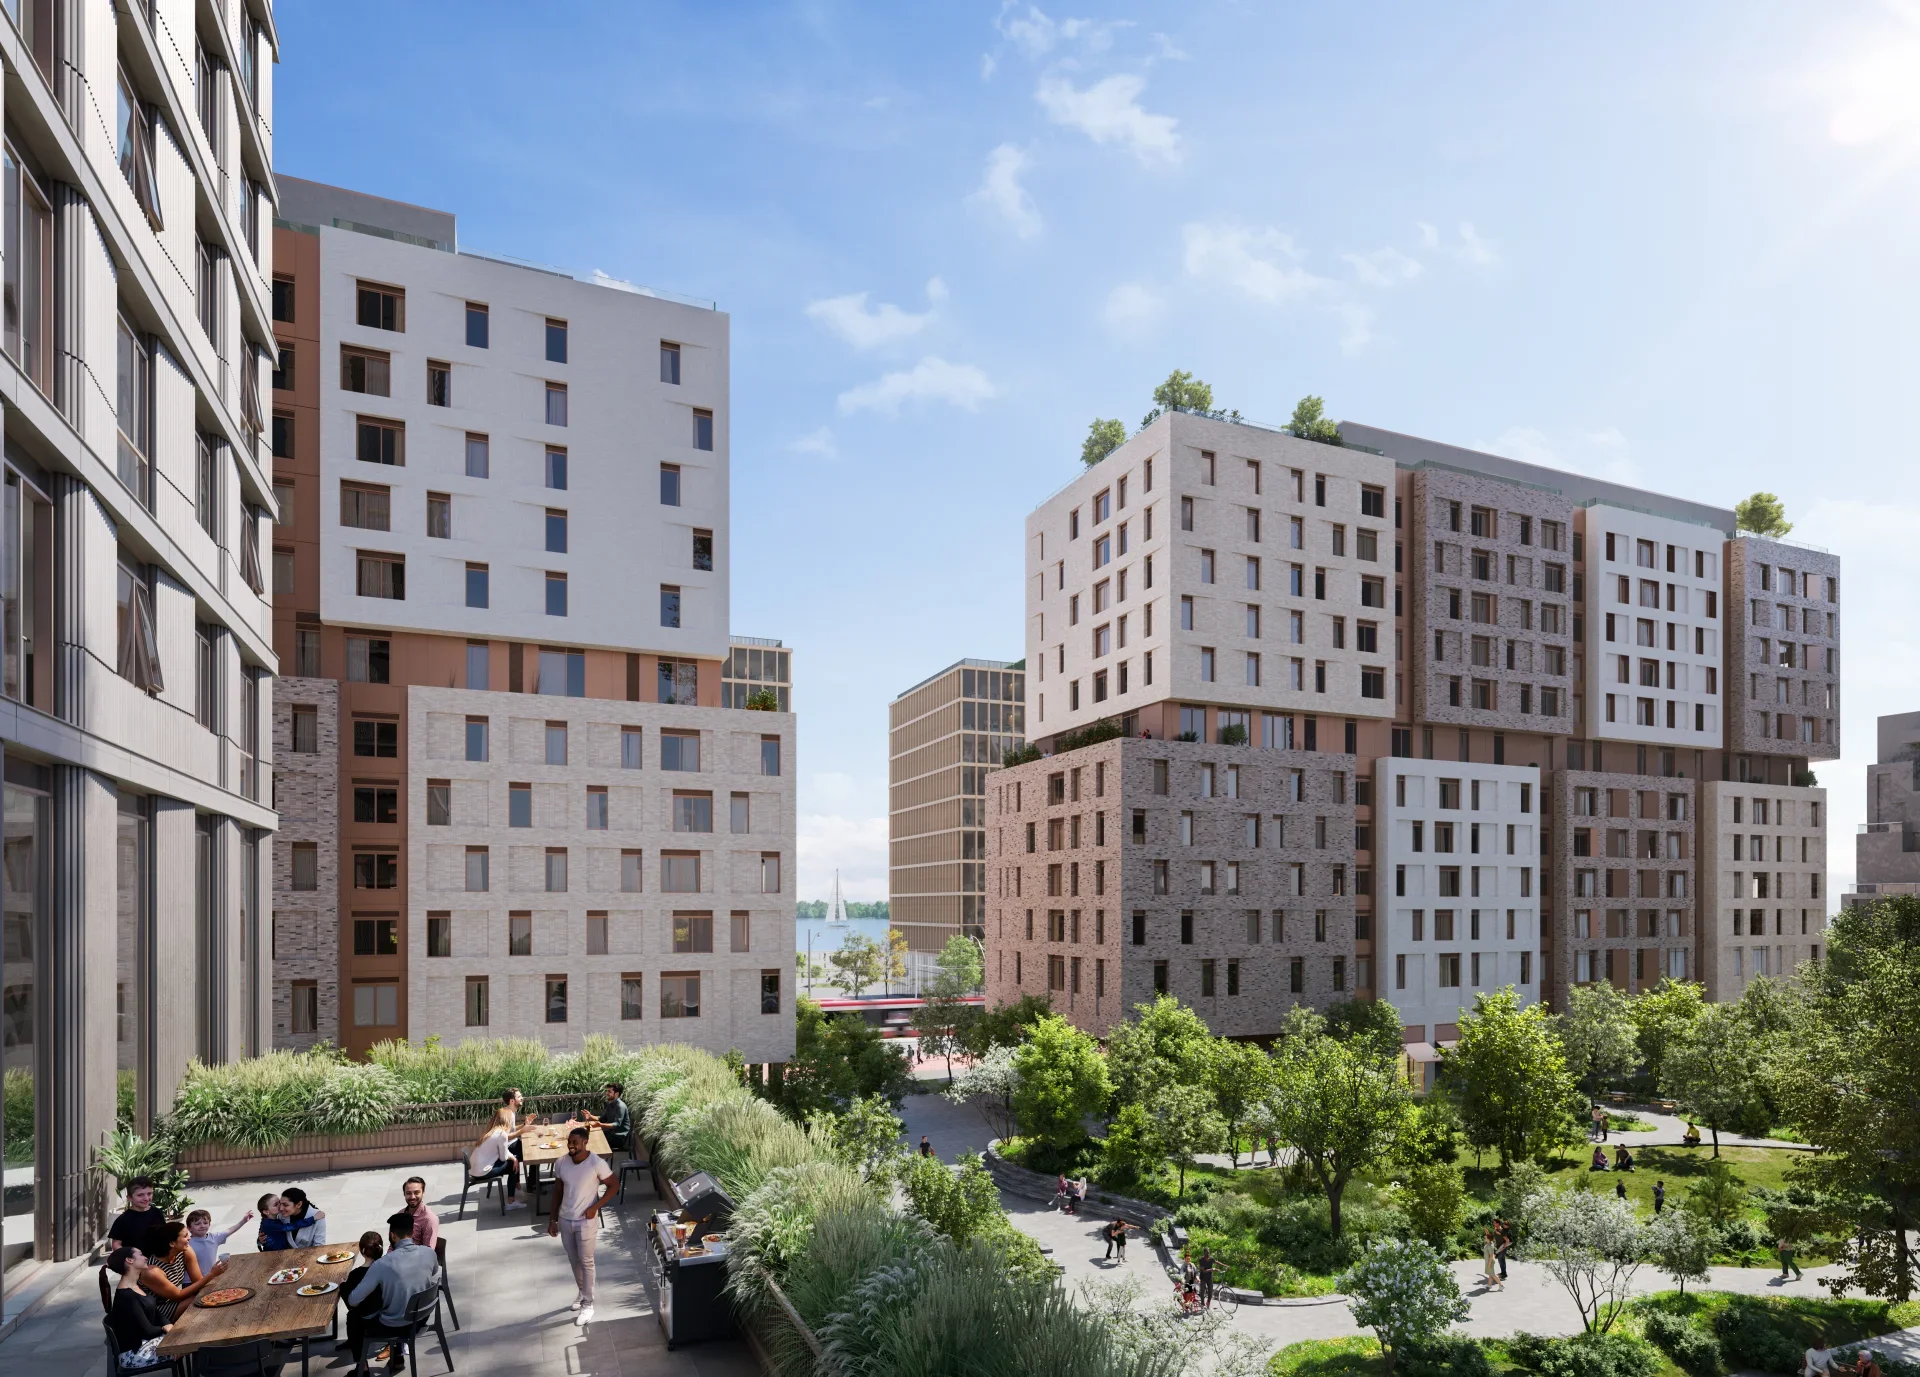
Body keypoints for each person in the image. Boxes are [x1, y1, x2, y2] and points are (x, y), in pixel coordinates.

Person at [345, 1211, 441, 1377]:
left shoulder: (382, 1264)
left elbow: (354, 1300)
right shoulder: (429, 1253)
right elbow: (433, 1272)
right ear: (412, 1232)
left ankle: (363, 1368)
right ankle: (397, 1357)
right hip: (421, 1318)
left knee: (354, 1317)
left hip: (395, 1325)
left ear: (392, 1235)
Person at [547, 1125, 617, 1326]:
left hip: (586, 1221)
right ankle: (582, 1292)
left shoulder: (597, 1163)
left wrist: (596, 1207)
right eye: (569, 1142)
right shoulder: (561, 1163)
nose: (571, 1146)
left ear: (585, 1142)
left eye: (575, 1143)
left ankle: (588, 1303)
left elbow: (614, 1186)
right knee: (573, 1260)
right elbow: (557, 1192)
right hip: (565, 1220)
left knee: (586, 1261)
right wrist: (553, 1219)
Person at [140, 1220, 227, 1322]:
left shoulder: (185, 1251)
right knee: (201, 1300)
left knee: (210, 1295)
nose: (189, 1238)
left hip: (174, 1301)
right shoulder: (152, 1271)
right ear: (172, 1243)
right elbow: (178, 1295)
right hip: (156, 1311)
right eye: (185, 1236)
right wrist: (211, 1274)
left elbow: (198, 1281)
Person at [105, 1245, 171, 1370]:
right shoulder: (126, 1296)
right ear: (129, 1260)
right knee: (188, 1344)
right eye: (140, 1254)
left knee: (187, 1339)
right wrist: (165, 1328)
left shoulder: (134, 1287)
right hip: (135, 1354)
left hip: (147, 1343)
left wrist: (169, 1326)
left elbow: (156, 1314)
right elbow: (147, 1330)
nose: (145, 1257)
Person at [340, 1231, 391, 1366]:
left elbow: (352, 1303)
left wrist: (343, 1287)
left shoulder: (356, 1275)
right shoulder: (389, 1268)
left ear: (362, 1250)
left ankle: (362, 1365)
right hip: (391, 1314)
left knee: (352, 1315)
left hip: (372, 1321)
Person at [468, 1107, 528, 1210]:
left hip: (474, 1170)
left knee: (513, 1160)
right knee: (513, 1166)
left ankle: (514, 1192)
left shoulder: (491, 1131)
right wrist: (514, 1159)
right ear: (507, 1120)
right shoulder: (502, 1134)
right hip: (482, 1172)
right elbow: (503, 1157)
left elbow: (504, 1152)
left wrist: (512, 1157)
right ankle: (511, 1201)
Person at [185, 1205, 254, 1274]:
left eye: (205, 1223)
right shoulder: (187, 1242)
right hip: (190, 1280)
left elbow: (229, 1231)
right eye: (197, 1224)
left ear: (209, 1224)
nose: (202, 1226)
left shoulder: (214, 1238)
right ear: (189, 1228)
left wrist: (243, 1221)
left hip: (210, 1277)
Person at [109, 1178, 168, 1250]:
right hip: (136, 1260)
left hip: (157, 1259)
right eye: (140, 1195)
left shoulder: (156, 1212)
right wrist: (131, 1257)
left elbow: (164, 1234)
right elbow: (116, 1245)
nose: (146, 1198)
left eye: (149, 1194)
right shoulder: (122, 1220)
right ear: (129, 1198)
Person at [583, 1083, 630, 1153]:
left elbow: (617, 1124)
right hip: (611, 1133)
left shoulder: (621, 1106)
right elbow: (603, 1118)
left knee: (594, 1141)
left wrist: (601, 1125)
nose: (606, 1093)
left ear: (616, 1094)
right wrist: (590, 1116)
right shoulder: (610, 1104)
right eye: (607, 1091)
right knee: (588, 1137)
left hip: (619, 1138)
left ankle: (595, 1160)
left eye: (609, 1092)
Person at [401, 1176, 438, 1249]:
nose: (412, 1197)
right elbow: (392, 1245)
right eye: (408, 1193)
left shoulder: (429, 1219)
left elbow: (428, 1251)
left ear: (423, 1193)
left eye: (416, 1193)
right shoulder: (400, 1215)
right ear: (404, 1194)